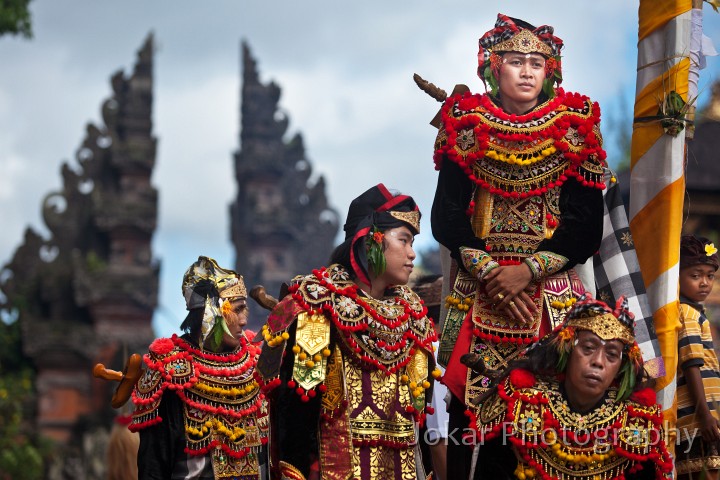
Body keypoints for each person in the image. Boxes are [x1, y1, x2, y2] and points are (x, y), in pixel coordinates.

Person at [429, 14, 605, 479]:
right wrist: (492, 271)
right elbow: (446, 217)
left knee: (559, 412)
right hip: (479, 289)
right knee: (470, 416)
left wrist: (525, 271)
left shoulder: (575, 128)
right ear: (492, 67)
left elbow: (586, 229)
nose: (526, 72)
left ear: (551, 72)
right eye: (514, 61)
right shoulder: (464, 126)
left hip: (551, 295)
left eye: (536, 62)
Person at [256, 184, 439, 480]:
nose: (411, 254)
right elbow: (296, 422)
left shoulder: (414, 319)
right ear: (372, 241)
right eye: (403, 240)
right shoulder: (319, 309)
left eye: (412, 243)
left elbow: (419, 424)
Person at [470, 294, 673, 479]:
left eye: (611, 355)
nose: (598, 362)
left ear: (622, 366)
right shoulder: (521, 402)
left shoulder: (637, 420)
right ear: (567, 350)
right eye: (588, 348)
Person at [130, 256, 268, 479]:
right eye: (238, 309)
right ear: (211, 314)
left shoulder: (257, 363)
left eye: (245, 310)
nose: (244, 321)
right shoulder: (172, 373)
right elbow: (153, 465)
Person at [676, 235, 720, 479]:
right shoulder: (688, 314)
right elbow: (692, 364)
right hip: (697, 419)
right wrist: (704, 414)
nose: (704, 283)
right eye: (695, 276)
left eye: (709, 276)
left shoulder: (694, 312)